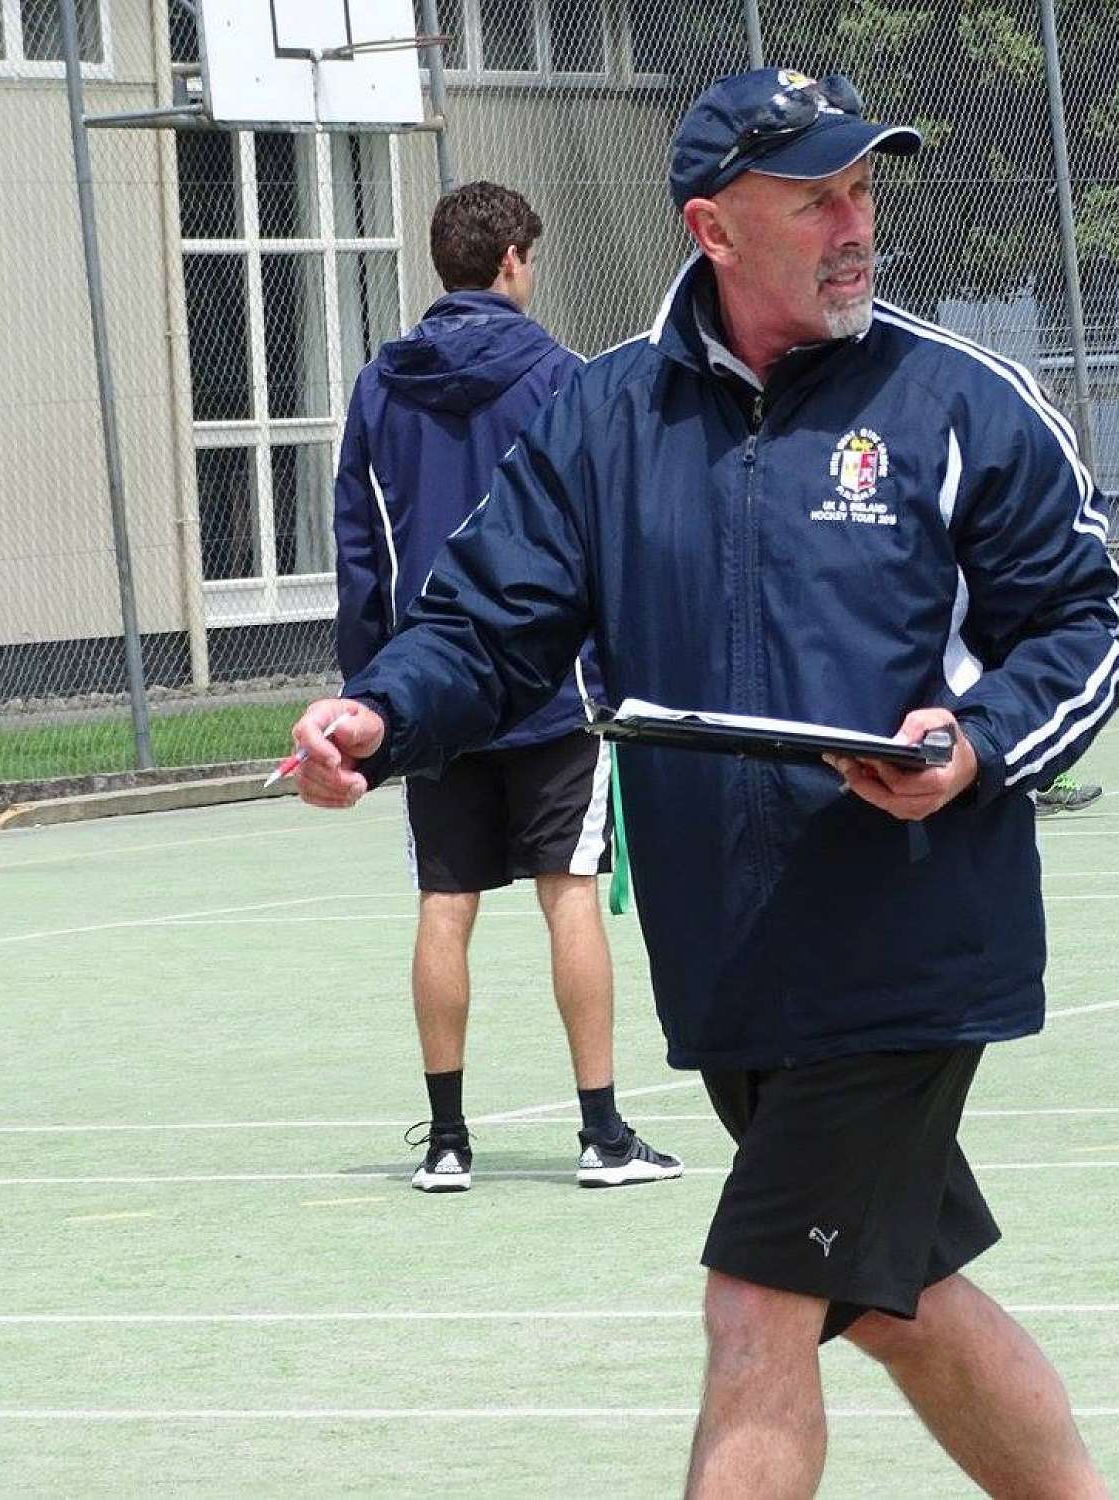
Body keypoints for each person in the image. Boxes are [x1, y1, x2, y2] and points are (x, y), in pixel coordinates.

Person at [296, 69, 1119, 1496]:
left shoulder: (959, 402)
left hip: (905, 948)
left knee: (754, 1307)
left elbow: (1086, 623)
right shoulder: (605, 417)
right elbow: (486, 629)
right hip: (727, 962)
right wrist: (378, 716)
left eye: (864, 188)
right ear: (713, 228)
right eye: (815, 199)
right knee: (896, 1298)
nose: (855, 224)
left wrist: (975, 743)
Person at [333, 180, 681, 1194]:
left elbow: (360, 550)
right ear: (514, 260)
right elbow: (613, 541)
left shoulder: (378, 387)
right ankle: (602, 1136)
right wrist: (618, 674)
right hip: (551, 689)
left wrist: (374, 696)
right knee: (569, 897)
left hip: (428, 693)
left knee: (444, 903)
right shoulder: (567, 380)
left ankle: (446, 1143)